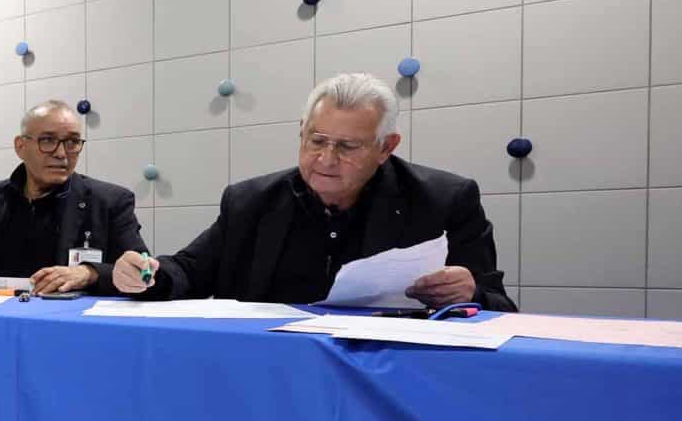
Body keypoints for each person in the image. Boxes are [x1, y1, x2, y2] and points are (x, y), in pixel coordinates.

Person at [111, 72, 515, 310]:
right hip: (272, 375)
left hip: (388, 383)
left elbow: (498, 303)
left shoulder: (444, 201)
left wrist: (470, 293)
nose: (326, 159)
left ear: (386, 148)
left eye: (347, 147)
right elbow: (188, 271)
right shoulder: (250, 202)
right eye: (316, 140)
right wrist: (149, 276)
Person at [0, 99, 147, 296]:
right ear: (20, 146)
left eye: (72, 142)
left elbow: (145, 272)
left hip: (69, 329)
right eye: (48, 140)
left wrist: (90, 273)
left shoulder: (109, 202)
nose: (62, 153)